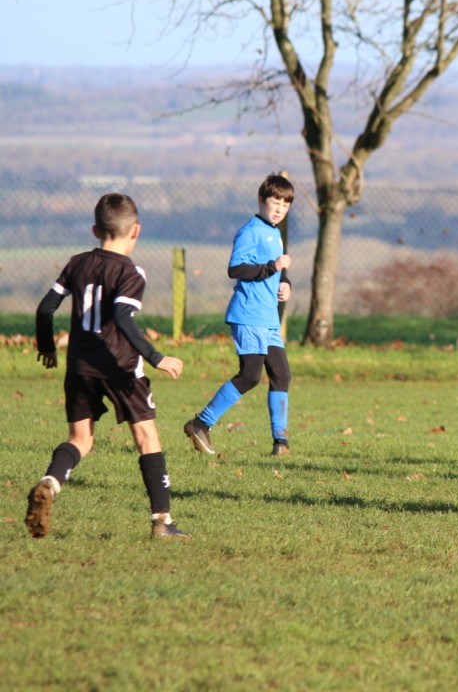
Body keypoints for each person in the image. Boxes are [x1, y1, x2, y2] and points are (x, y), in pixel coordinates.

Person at [27, 193, 189, 539]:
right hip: (120, 367)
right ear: (136, 231)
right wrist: (155, 357)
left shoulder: (77, 263)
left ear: (95, 229)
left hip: (80, 366)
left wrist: (47, 347)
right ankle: (162, 521)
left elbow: (45, 309)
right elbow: (122, 315)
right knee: (147, 437)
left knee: (80, 438)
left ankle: (50, 481)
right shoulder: (131, 272)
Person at [184, 173, 295, 457]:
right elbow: (236, 269)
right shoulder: (250, 231)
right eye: (275, 201)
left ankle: (280, 444)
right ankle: (200, 423)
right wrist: (273, 267)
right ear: (262, 200)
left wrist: (285, 282)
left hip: (268, 318)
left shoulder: (275, 233)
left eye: (286, 203)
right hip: (248, 315)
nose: (280, 208)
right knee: (250, 376)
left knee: (281, 375)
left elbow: (276, 270)